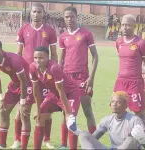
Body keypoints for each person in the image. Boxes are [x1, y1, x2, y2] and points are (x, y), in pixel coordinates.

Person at [14, 3, 58, 149]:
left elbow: (54, 53)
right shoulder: (23, 29)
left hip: (45, 75)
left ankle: (47, 140)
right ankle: (17, 140)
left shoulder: (50, 31)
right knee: (23, 108)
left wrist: (53, 71)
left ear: (43, 13)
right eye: (34, 11)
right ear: (30, 13)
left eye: (39, 12)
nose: (36, 14)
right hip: (27, 74)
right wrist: (17, 73)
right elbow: (18, 53)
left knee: (46, 109)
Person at [59, 6, 98, 149]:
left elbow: (95, 56)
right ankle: (63, 144)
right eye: (66, 17)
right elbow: (61, 60)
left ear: (77, 17)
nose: (69, 19)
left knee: (87, 109)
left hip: (83, 77)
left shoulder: (86, 34)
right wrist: (59, 76)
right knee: (66, 112)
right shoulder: (63, 36)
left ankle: (94, 141)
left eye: (71, 16)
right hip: (67, 78)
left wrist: (91, 78)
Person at [30, 46, 81, 150]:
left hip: (70, 94)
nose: (37, 60)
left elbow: (61, 91)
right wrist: (38, 109)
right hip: (53, 94)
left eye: (41, 58)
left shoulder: (54, 67)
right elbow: (36, 91)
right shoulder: (32, 67)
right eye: (35, 58)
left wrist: (68, 113)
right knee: (40, 117)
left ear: (48, 58)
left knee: (71, 123)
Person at [0, 39, 33, 149]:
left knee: (24, 114)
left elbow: (24, 81)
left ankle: (24, 147)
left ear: (2, 51)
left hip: (29, 83)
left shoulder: (14, 60)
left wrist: (22, 102)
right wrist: (1, 97)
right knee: (3, 111)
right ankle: (2, 144)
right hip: (14, 84)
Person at [113, 14, 145, 136]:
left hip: (135, 82)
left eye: (128, 25)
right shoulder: (118, 42)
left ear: (134, 26)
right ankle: (123, 142)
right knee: (119, 112)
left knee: (140, 114)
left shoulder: (141, 43)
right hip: (120, 82)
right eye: (123, 24)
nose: (124, 27)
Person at [77, 91, 145, 149]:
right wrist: (75, 129)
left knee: (131, 138)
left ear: (126, 106)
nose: (114, 104)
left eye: (118, 102)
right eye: (112, 102)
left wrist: (143, 141)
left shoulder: (135, 120)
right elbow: (93, 138)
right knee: (83, 135)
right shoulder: (107, 119)